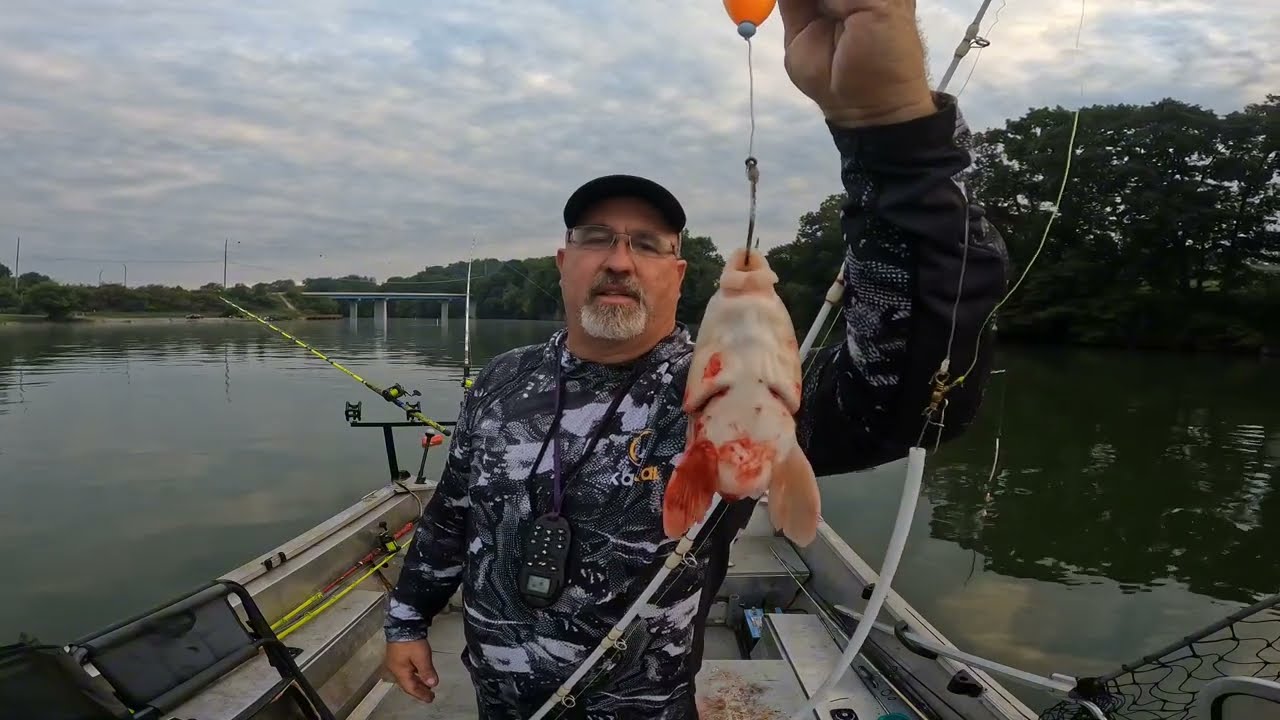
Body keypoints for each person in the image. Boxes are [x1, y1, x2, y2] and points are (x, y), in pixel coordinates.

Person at [383, 0, 1009, 717]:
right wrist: (406, 619)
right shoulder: (500, 382)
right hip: (500, 697)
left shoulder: (733, 396)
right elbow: (453, 513)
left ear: (679, 275)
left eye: (648, 245)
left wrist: (889, 126)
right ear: (563, 262)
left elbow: (910, 389)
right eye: (596, 238)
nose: (620, 260)